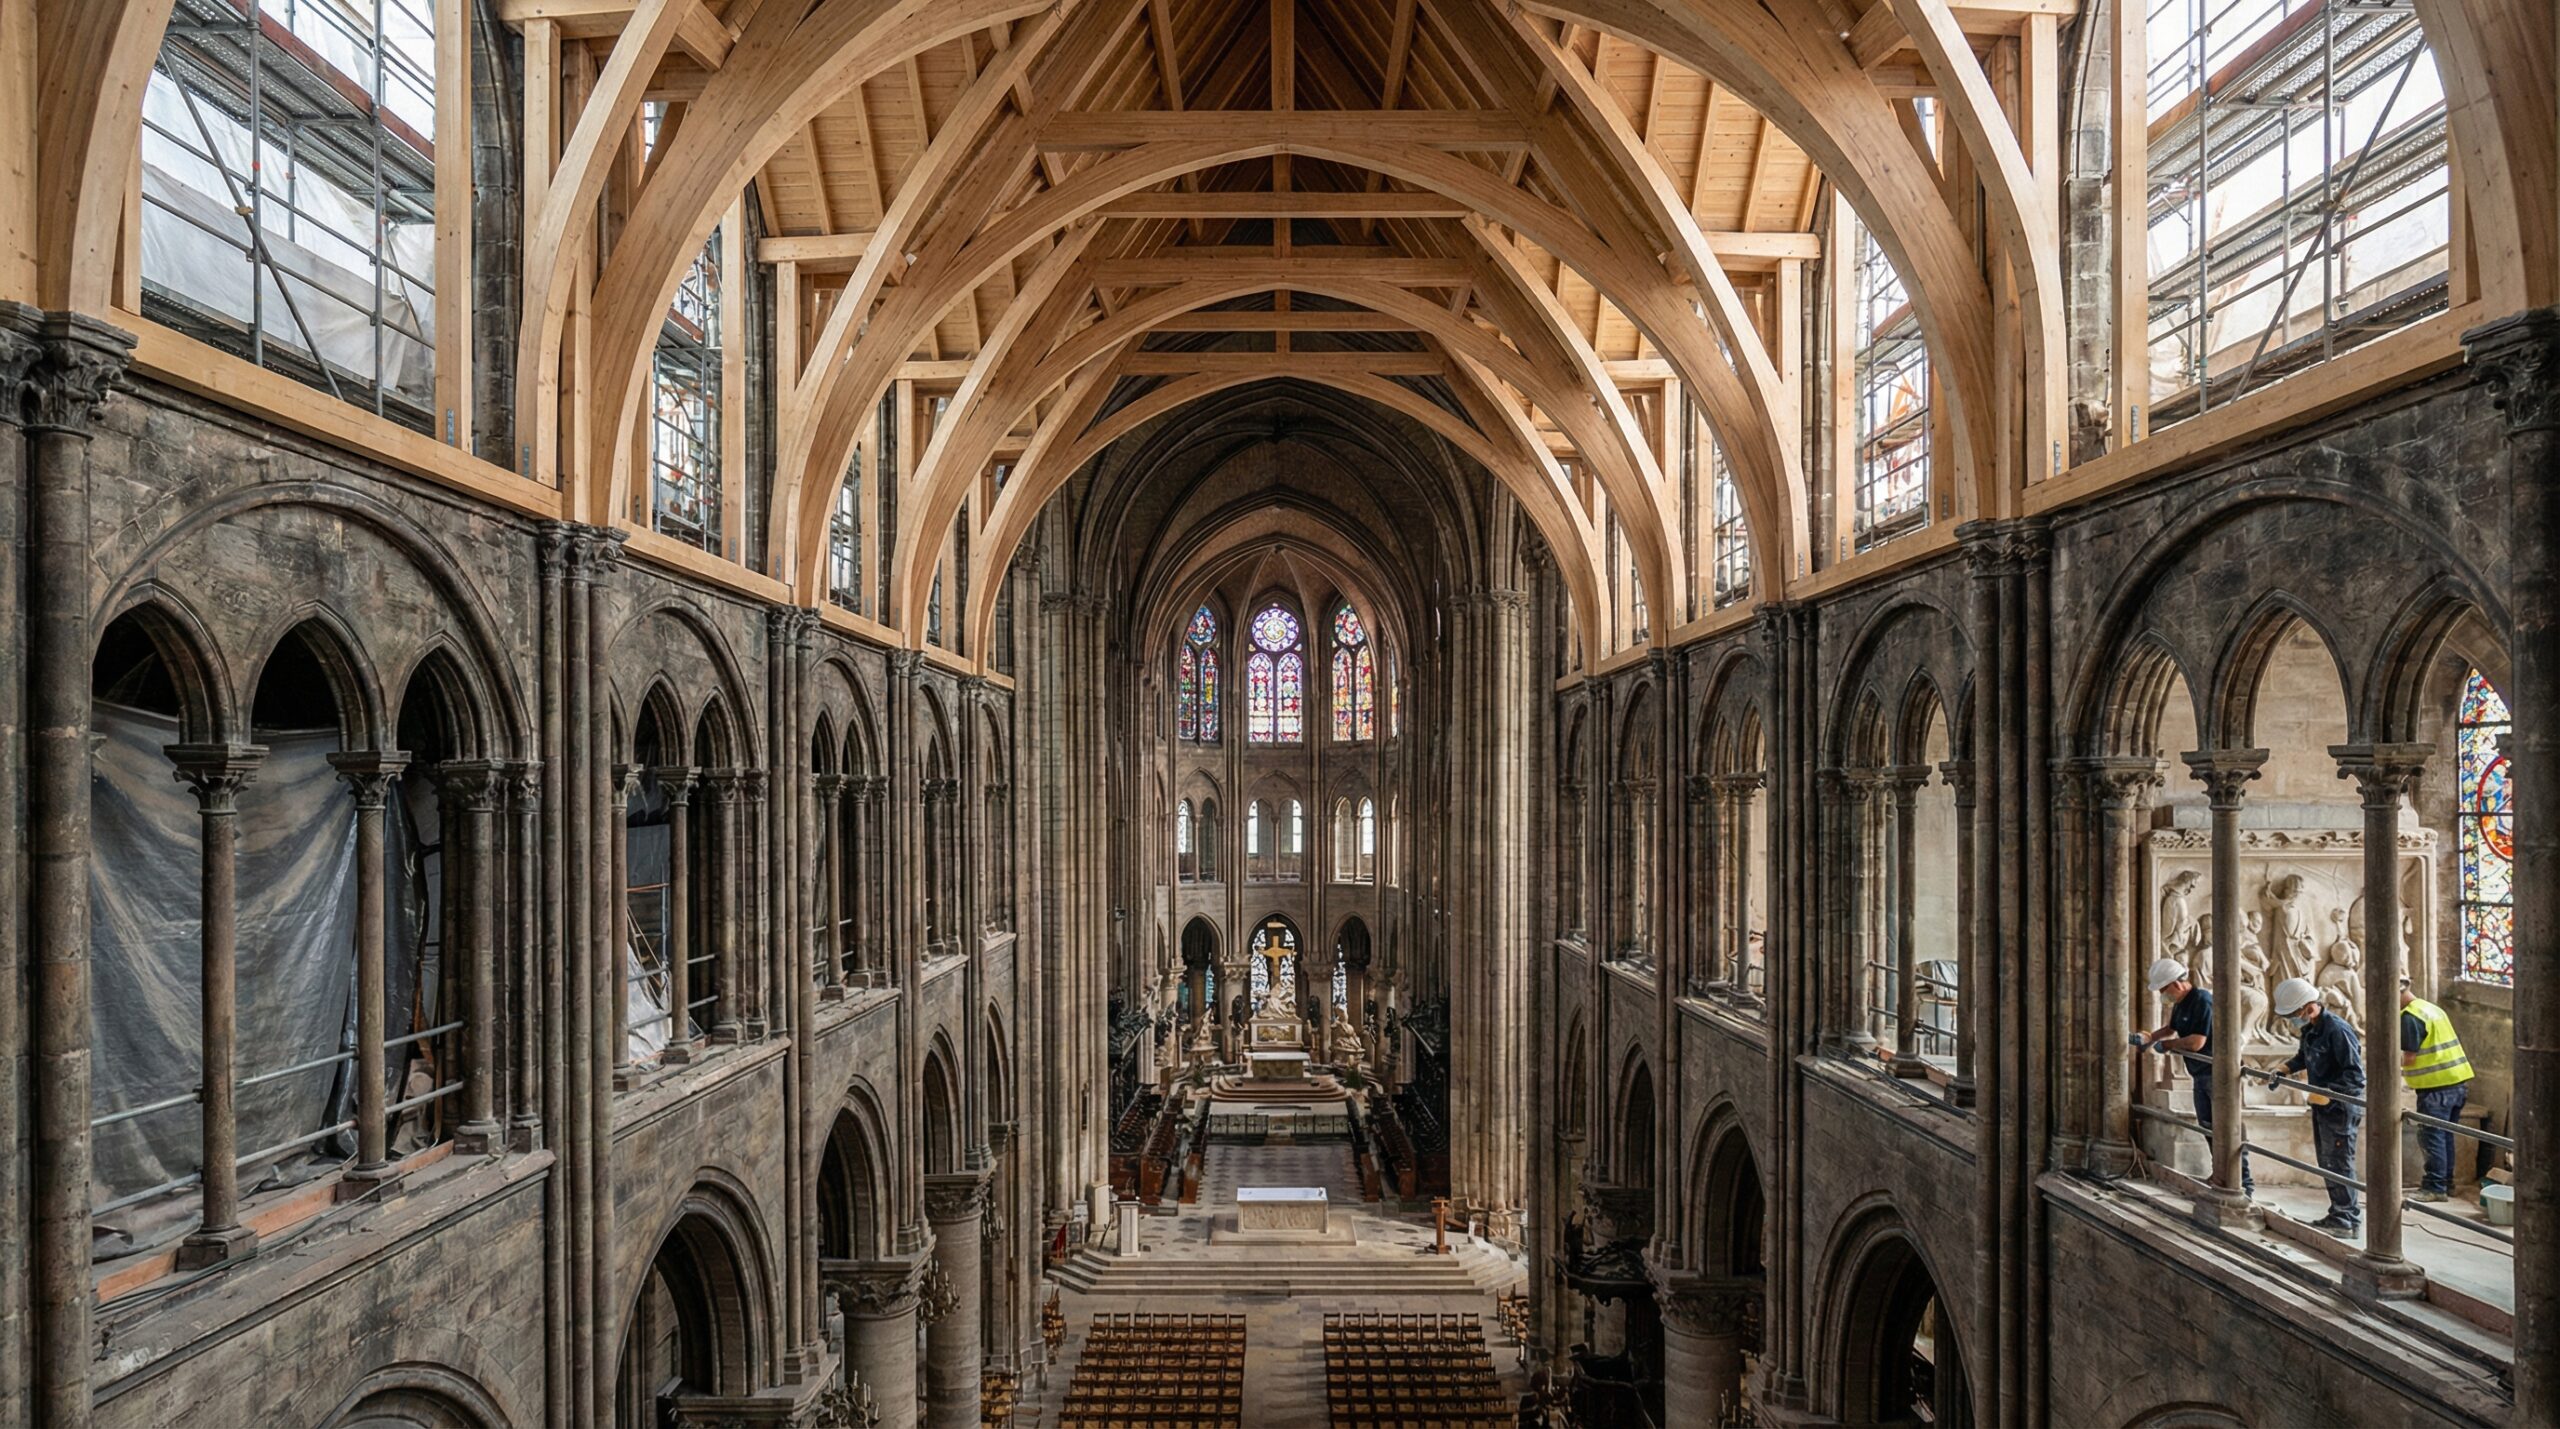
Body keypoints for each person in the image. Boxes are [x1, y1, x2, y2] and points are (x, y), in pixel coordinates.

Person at [2137, 957, 2250, 1195]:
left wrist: (2168, 1046)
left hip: (2217, 1073)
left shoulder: (2202, 1001)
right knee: (2208, 1126)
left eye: (2163, 990)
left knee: (2228, 1127)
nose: (2162, 996)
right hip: (2201, 1074)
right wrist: (2150, 1038)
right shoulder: (2182, 1003)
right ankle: (2221, 1175)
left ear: (2177, 985)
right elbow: (2171, 1028)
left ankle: (2243, 1183)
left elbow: (2197, 1042)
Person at [2274, 975, 2366, 1237]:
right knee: (2327, 1161)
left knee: (2340, 1162)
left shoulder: (2337, 1029)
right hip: (2322, 1106)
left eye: (2293, 1014)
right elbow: (2305, 1056)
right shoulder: (2310, 1028)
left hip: (2341, 1107)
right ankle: (2338, 1213)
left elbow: (2355, 1075)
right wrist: (2286, 1068)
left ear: (2306, 1007)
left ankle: (2347, 1219)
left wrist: (2330, 1094)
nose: (2292, 1019)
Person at [2399, 976, 2476, 1202]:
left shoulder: (2410, 1017)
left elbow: (2409, 1058)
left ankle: (2434, 1186)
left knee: (2432, 1137)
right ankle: (2446, 1183)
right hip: (2457, 1083)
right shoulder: (2430, 1009)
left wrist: (2385, 1061)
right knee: (2445, 1136)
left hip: (2435, 1089)